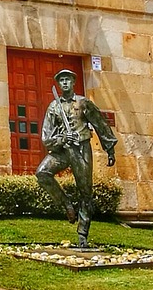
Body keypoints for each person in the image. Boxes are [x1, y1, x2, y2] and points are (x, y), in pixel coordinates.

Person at [35, 69, 117, 248]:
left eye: (68, 80)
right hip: (63, 151)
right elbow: (46, 137)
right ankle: (67, 206)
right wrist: (62, 139)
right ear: (58, 84)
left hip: (81, 150)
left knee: (85, 192)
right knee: (42, 173)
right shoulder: (53, 107)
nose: (64, 83)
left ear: (73, 82)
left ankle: (82, 234)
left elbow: (100, 124)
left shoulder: (83, 103)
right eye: (61, 80)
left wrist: (110, 150)